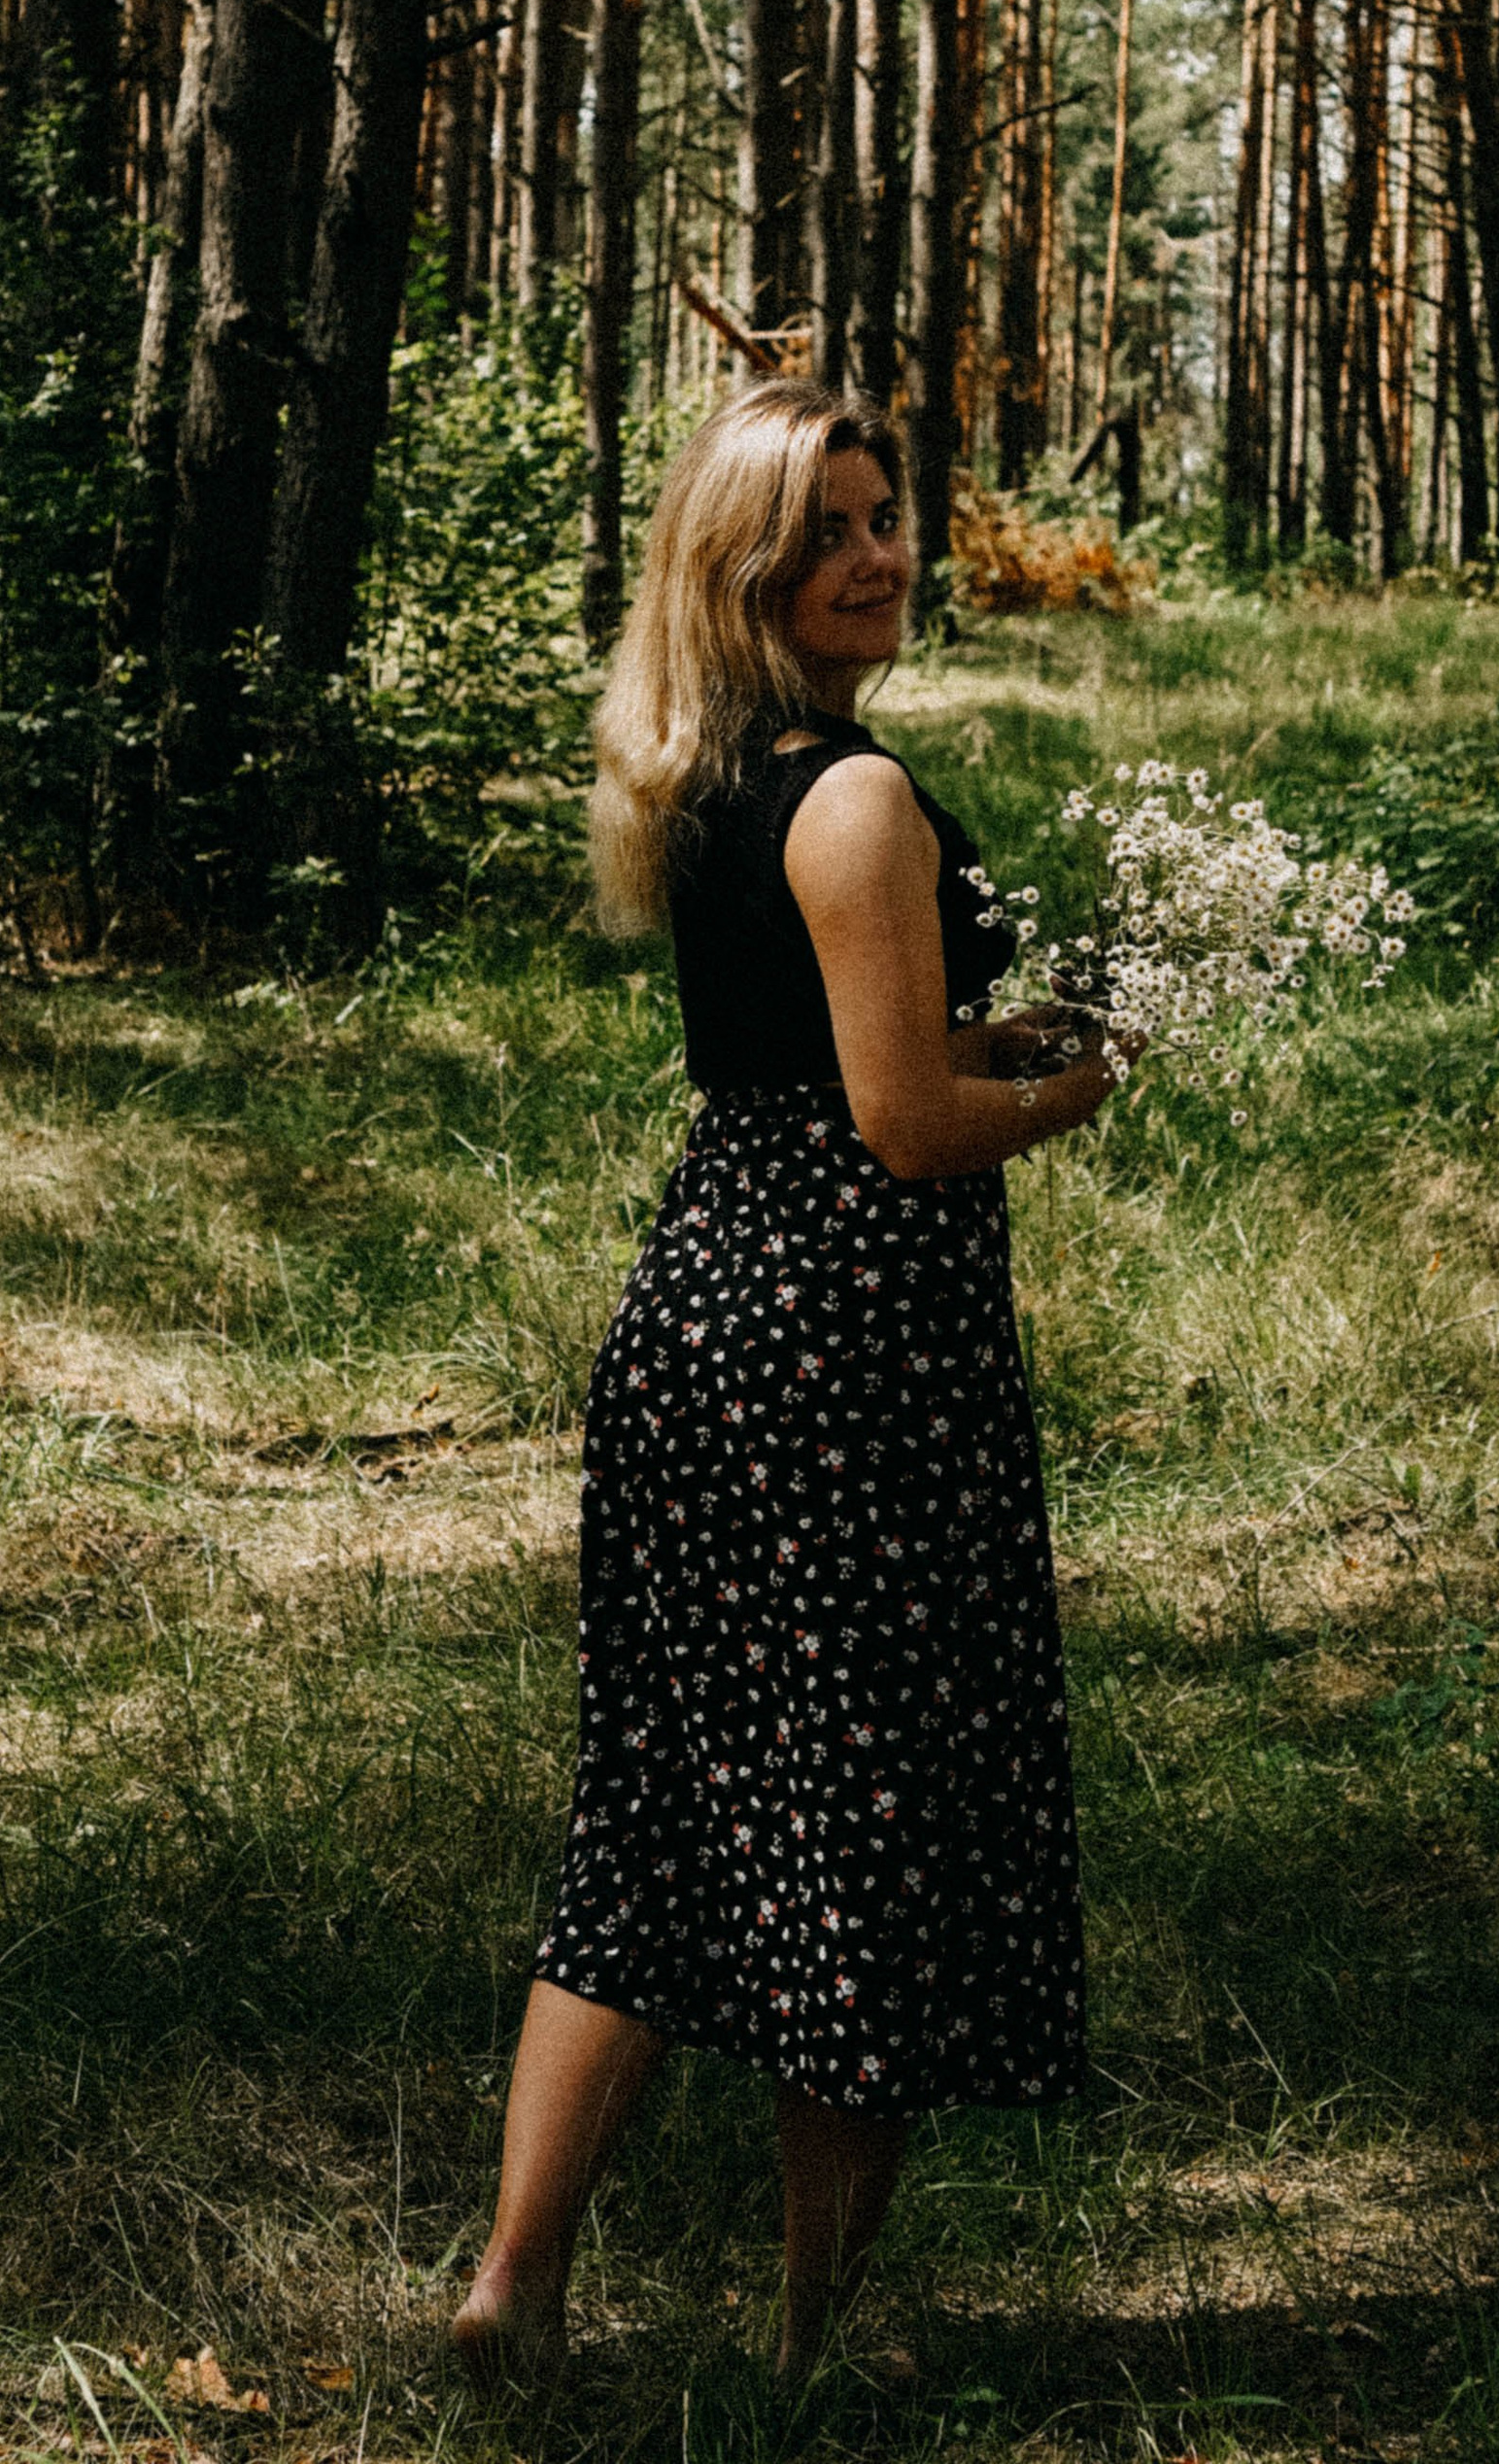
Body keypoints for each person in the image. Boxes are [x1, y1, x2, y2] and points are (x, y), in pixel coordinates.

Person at [454, 379, 1119, 2388]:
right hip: (846, 1357)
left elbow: (815, 1045)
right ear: (744, 574)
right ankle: (808, 2351)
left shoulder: (712, 777)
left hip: (709, 1320)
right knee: (871, 1827)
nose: (877, 557)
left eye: (885, 515)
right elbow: (904, 1125)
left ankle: (511, 2287)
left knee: (656, 1813)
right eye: (824, 533)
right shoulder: (854, 794)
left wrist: (982, 1028)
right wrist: (1064, 1087)